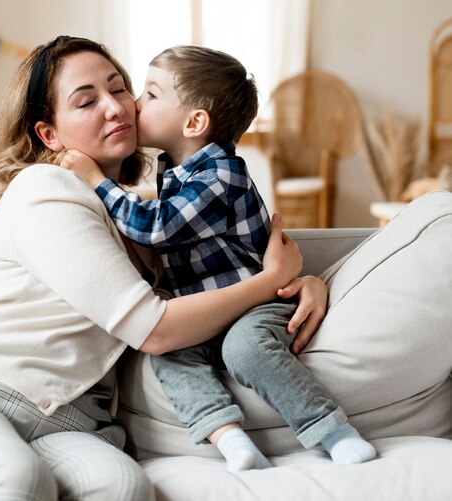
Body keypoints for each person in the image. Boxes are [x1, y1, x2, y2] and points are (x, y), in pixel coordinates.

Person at [0, 36, 328, 500]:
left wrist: (300, 284)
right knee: (13, 480)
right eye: (86, 101)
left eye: (120, 88)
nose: (116, 108)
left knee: (124, 489)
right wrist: (269, 281)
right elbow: (155, 330)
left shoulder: (146, 216)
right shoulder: (45, 189)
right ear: (50, 135)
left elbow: (218, 269)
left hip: (72, 421)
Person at [61, 45, 376, 472]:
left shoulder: (221, 175)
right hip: (208, 310)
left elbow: (156, 227)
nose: (133, 104)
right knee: (169, 356)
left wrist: (95, 179)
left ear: (194, 122)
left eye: (150, 95)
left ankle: (332, 431)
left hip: (256, 301)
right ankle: (228, 437)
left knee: (246, 349)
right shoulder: (176, 174)